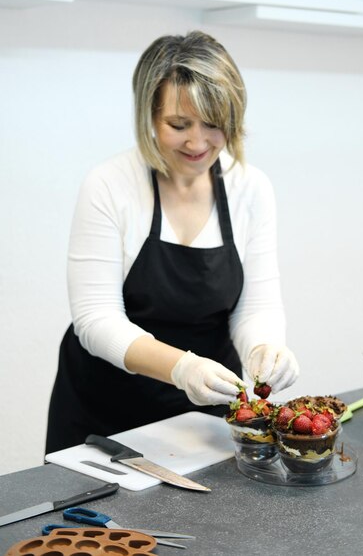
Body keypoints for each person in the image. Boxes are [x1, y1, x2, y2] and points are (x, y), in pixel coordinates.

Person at [45, 30, 299, 453]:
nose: (198, 143)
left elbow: (254, 306)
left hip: (205, 416)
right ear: (148, 115)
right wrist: (181, 367)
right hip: (103, 413)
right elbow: (95, 320)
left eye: (215, 125)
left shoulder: (251, 188)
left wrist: (265, 347)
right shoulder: (110, 185)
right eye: (178, 125)